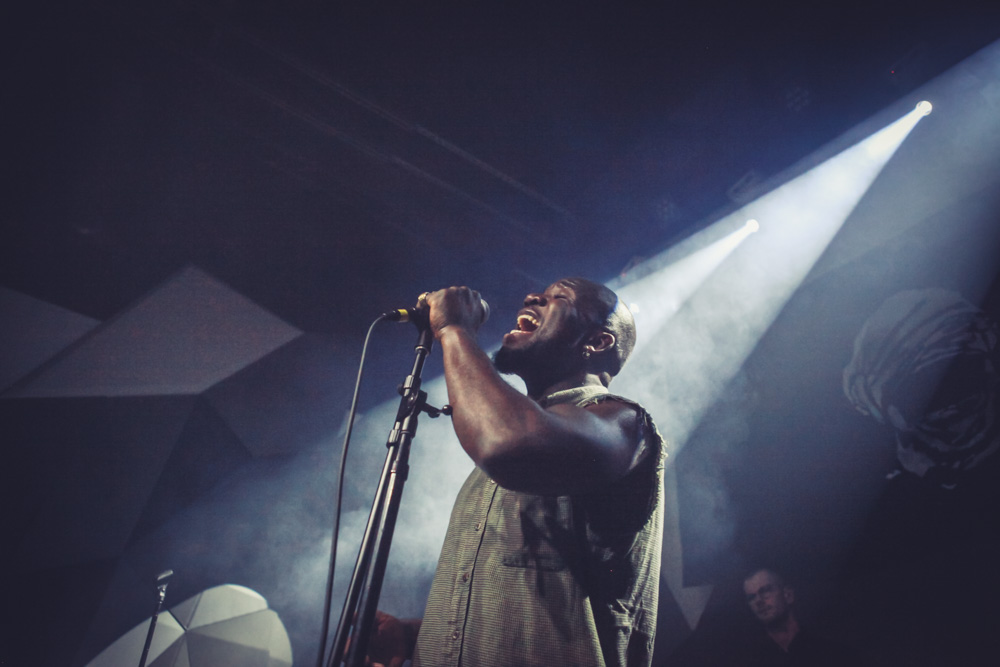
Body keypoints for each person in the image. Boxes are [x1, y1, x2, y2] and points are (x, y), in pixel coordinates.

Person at [368, 278, 666, 667]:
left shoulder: (624, 423)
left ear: (597, 342)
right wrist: (416, 635)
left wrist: (454, 329)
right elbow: (521, 608)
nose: (532, 297)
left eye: (559, 297)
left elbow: (506, 443)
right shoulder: (520, 436)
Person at [742, 568, 860, 667]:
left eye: (765, 591)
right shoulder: (753, 660)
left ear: (788, 595)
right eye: (751, 598)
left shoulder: (831, 651)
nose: (758, 601)